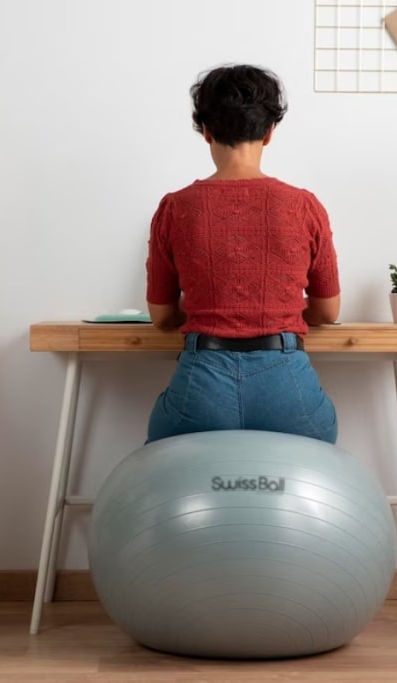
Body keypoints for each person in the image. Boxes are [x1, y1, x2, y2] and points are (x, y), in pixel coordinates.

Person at [145, 64, 341, 444]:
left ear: (206, 131)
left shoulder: (175, 208)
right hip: (288, 388)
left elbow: (162, 317)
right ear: (269, 133)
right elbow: (327, 313)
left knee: (165, 461)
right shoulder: (304, 207)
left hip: (200, 386)